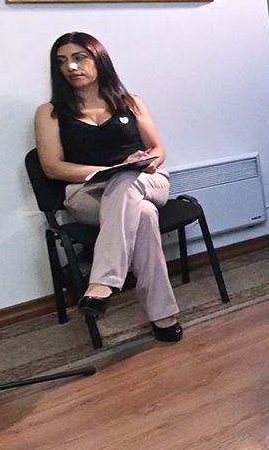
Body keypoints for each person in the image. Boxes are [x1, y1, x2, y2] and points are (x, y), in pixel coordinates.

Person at [34, 33, 182, 342]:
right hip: (87, 193)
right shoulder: (50, 113)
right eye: (62, 62)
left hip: (145, 181)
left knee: (127, 182)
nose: (71, 67)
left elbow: (157, 148)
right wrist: (107, 172)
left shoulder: (130, 102)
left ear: (99, 59)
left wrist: (146, 161)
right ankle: (163, 315)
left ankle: (102, 282)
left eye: (79, 58)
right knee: (143, 213)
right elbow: (52, 167)